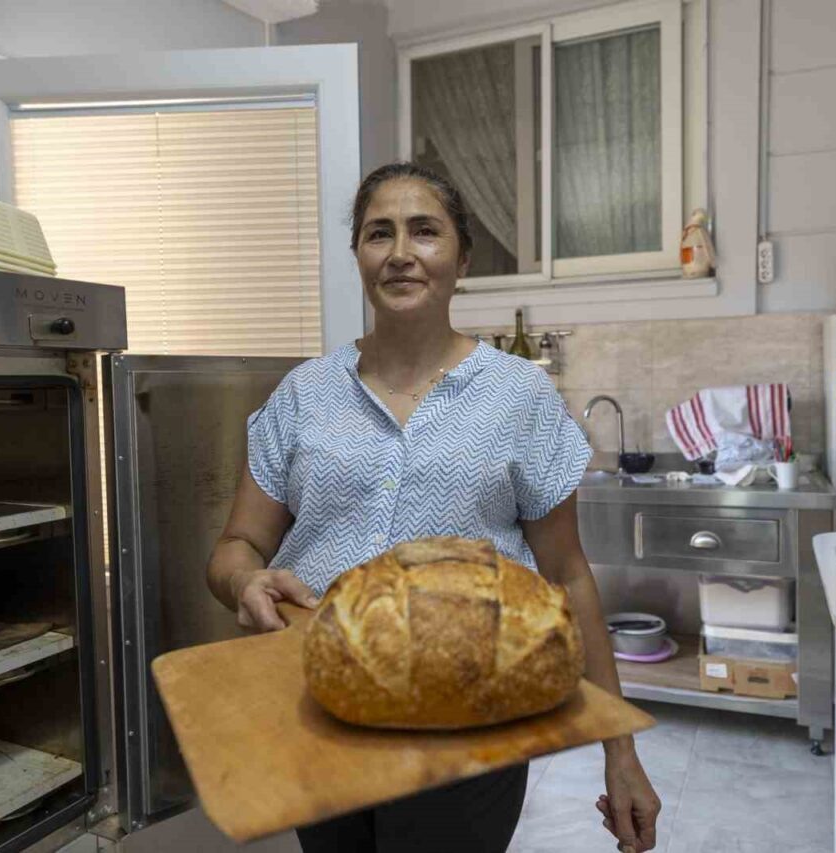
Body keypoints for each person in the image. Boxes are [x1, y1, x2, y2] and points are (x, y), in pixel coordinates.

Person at [206, 162, 661, 853]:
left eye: (425, 231)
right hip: (328, 711)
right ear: (358, 254)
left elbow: (567, 573)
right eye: (377, 233)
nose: (400, 253)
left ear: (461, 256)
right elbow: (236, 545)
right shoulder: (303, 395)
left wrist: (619, 751)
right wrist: (246, 579)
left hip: (472, 726)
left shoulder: (520, 397)